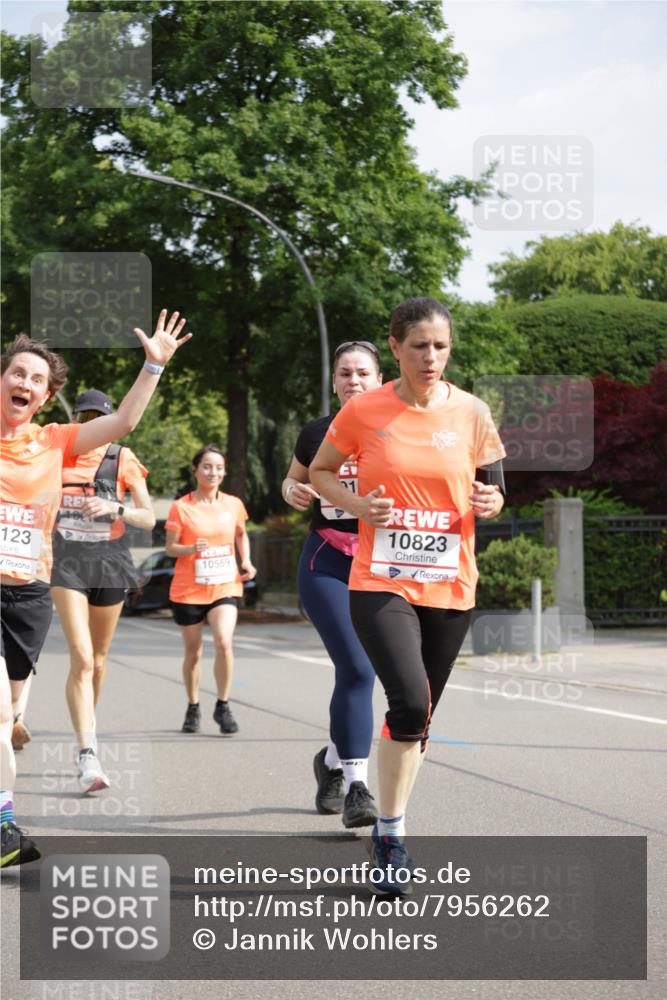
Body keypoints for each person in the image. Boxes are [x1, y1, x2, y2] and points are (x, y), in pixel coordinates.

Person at [310, 297, 506, 894]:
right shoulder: (365, 411)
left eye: (441, 346)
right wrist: (356, 504)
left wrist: (493, 503)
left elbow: (494, 488)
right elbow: (318, 474)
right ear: (394, 347)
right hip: (381, 579)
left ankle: (388, 824)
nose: (431, 356)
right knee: (408, 697)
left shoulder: (472, 413)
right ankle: (391, 839)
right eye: (419, 345)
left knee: (417, 720)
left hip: (450, 582)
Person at [0, 309, 191, 866]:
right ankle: (5, 824)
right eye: (18, 373)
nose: (26, 384)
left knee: (10, 714)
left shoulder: (56, 441)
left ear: (44, 397)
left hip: (29, 592)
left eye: (37, 380)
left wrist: (153, 367)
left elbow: (125, 423)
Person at [282, 341, 382, 829]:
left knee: (368, 674)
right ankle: (358, 788)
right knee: (359, 669)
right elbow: (292, 482)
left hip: (386, 562)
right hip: (328, 561)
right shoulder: (317, 432)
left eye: (363, 372)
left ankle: (331, 762)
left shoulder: (403, 431)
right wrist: (294, 491)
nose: (353, 381)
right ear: (335, 382)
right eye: (345, 373)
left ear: (381, 378)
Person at [50, 389, 156, 793]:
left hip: (110, 560)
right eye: (85, 417)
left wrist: (116, 509)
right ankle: (87, 752)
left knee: (98, 657)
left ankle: (86, 724)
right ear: (76, 420)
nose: (92, 423)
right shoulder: (59, 452)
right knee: (81, 657)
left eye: (100, 417)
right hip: (68, 561)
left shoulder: (121, 458)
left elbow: (147, 518)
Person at [165, 445, 256, 736]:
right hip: (188, 589)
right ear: (195, 470)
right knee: (193, 653)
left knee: (224, 643)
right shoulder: (181, 507)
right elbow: (170, 548)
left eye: (218, 467)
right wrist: (191, 548)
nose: (213, 472)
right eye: (206, 466)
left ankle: (223, 704)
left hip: (224, 585)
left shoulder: (233, 504)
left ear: (224, 471)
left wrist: (247, 560)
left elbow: (241, 535)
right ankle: (193, 707)